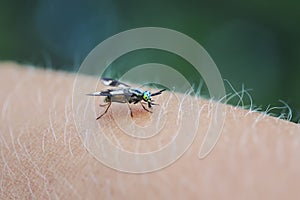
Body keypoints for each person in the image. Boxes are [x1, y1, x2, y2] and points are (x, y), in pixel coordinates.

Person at [1, 62, 299, 199]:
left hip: (117, 91)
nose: (146, 103)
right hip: (113, 96)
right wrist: (128, 105)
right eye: (146, 99)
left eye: (146, 100)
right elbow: (122, 97)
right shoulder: (132, 98)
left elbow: (138, 99)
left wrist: (145, 101)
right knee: (112, 102)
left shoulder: (141, 97)